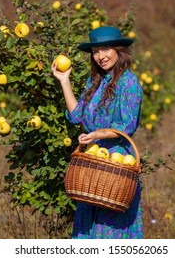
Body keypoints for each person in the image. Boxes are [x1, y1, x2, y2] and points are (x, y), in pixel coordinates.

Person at [52, 26, 143, 239]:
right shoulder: (95, 82)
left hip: (116, 164)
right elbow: (77, 116)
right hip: (91, 164)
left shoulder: (128, 82)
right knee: (87, 228)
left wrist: (98, 134)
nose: (100, 56)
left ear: (118, 50)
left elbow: (127, 125)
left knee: (111, 229)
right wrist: (64, 80)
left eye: (105, 49)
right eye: (95, 51)